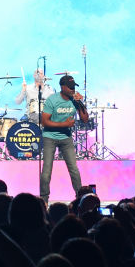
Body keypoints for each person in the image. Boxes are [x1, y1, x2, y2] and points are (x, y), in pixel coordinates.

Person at [39, 74, 89, 203]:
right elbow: (44, 122)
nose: (73, 90)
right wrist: (64, 124)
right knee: (47, 170)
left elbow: (85, 119)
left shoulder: (74, 100)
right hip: (50, 137)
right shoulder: (52, 100)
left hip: (66, 137)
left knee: (74, 169)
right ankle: (44, 200)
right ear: (62, 87)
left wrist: (80, 103)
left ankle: (80, 199)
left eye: (74, 87)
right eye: (70, 87)